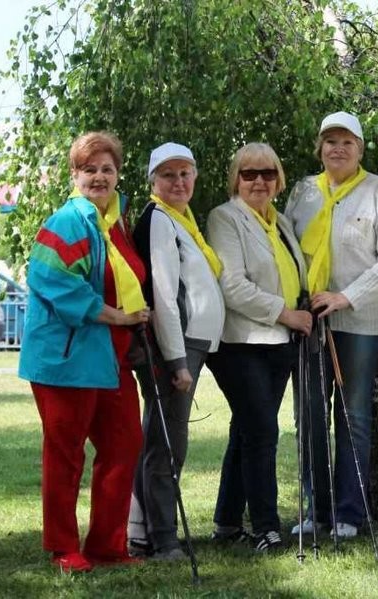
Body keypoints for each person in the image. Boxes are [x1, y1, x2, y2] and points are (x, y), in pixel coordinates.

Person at [19, 131, 151, 572]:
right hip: (67, 357)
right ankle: (63, 547)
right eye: (89, 169)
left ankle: (108, 544)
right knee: (66, 452)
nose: (99, 176)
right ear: (75, 175)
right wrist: (117, 316)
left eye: (107, 169)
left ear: (118, 175)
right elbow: (51, 280)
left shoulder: (115, 223)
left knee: (124, 443)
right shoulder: (68, 221)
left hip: (110, 358)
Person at [286, 111, 378, 539]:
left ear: (360, 149)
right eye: (330, 141)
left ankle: (350, 514)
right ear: (319, 148)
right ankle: (316, 510)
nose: (338, 148)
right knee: (311, 415)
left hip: (360, 320)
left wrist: (344, 296)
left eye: (347, 142)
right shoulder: (302, 191)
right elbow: (287, 249)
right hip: (310, 321)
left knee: (353, 416)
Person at [206, 143, 312, 552]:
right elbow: (232, 285)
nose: (259, 181)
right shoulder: (225, 218)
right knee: (263, 432)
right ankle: (266, 527)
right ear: (236, 179)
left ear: (279, 179)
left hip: (278, 344)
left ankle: (227, 522)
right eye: (249, 174)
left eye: (267, 173)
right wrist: (286, 314)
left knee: (247, 430)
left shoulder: (281, 222)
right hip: (241, 343)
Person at [127, 142, 225, 560]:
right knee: (168, 443)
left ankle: (141, 531)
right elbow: (165, 295)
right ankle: (163, 539)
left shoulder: (180, 220)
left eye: (185, 173)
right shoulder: (159, 220)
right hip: (176, 346)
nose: (179, 181)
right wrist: (176, 360)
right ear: (153, 180)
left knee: (162, 437)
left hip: (190, 343)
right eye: (168, 175)